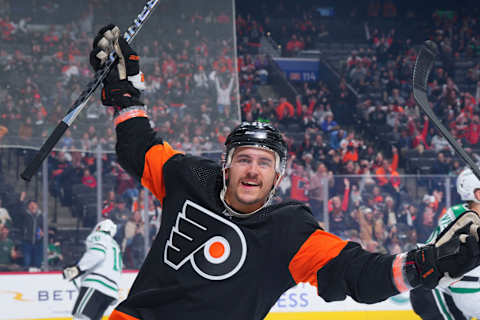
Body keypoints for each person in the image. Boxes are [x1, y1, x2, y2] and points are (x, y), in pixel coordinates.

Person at [90, 25, 480, 320]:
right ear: (226, 165)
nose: (253, 170)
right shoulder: (190, 178)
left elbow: (358, 274)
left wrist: (425, 264)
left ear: (278, 178)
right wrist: (125, 91)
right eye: (244, 158)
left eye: (265, 163)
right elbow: (139, 147)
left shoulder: (289, 230)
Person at [410, 168, 480, 320]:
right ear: (478, 194)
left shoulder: (462, 213)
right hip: (433, 289)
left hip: (445, 287)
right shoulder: (463, 217)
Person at [63, 219, 122, 320]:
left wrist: (78, 269)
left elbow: (98, 253)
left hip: (96, 285)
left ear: (99, 227)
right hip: (111, 291)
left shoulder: (98, 236)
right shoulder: (115, 245)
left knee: (80, 318)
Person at [21, 199, 44, 271]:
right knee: (27, 262)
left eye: (34, 205)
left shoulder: (41, 216)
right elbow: (20, 212)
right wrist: (21, 201)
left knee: (38, 263)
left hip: (38, 242)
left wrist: (43, 232)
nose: (32, 206)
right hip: (27, 242)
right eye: (31, 205)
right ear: (28, 207)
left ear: (37, 206)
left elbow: (45, 227)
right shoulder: (25, 215)